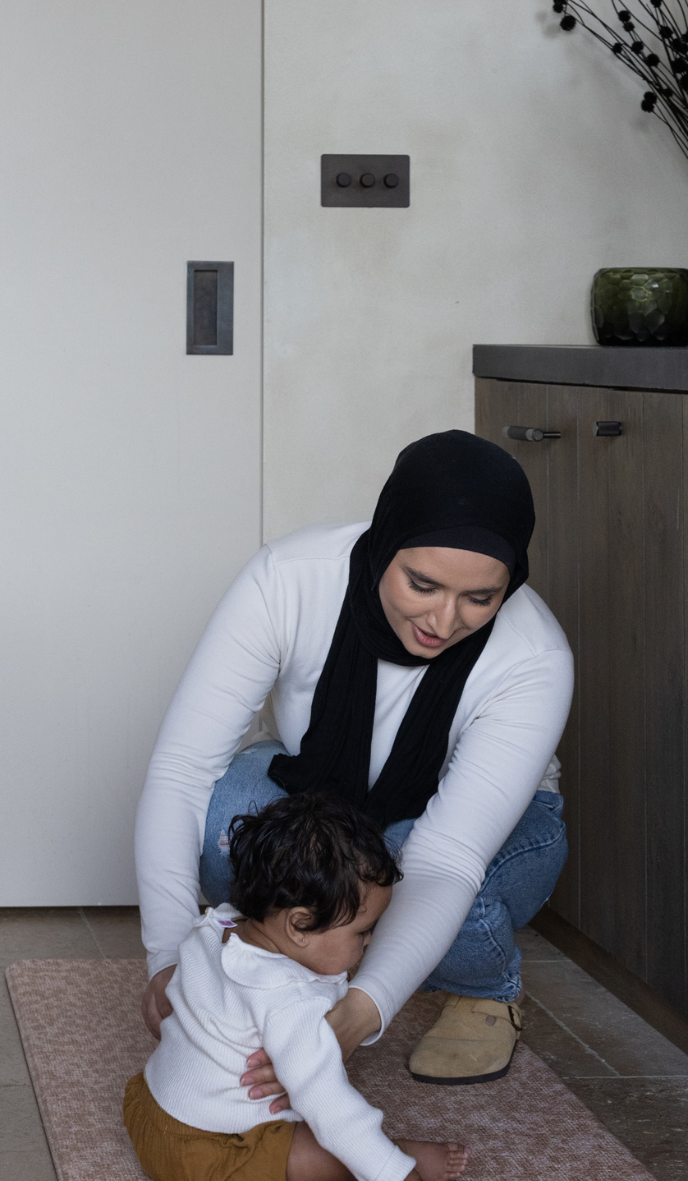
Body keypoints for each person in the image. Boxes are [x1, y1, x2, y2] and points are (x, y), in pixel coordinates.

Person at [135, 429, 573, 1090]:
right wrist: (169, 960)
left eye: (480, 598)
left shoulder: (534, 657)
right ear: (386, 542)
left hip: (480, 832)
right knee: (230, 829)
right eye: (422, 583)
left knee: (412, 883)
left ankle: (489, 988)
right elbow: (182, 770)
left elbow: (447, 858)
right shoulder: (290, 579)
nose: (444, 619)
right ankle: (309, 962)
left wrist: (352, 1021)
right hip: (326, 790)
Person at [123, 790, 465, 1181]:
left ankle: (372, 1159)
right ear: (300, 926)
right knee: (323, 1145)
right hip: (214, 1158)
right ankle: (389, 1160)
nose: (370, 942)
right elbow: (328, 1104)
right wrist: (399, 1178)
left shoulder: (216, 929)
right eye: (361, 932)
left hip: (151, 1118)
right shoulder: (290, 1002)